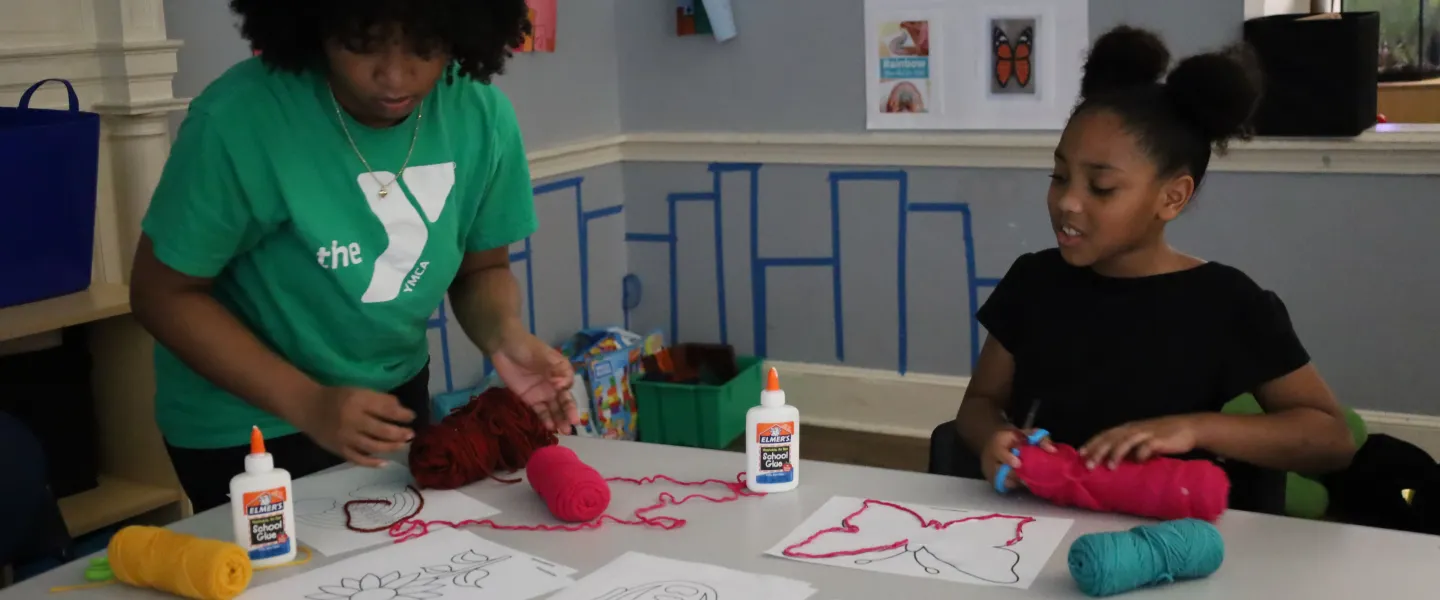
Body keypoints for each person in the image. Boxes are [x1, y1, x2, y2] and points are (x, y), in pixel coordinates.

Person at [130, 0, 580, 513]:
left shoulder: (481, 113)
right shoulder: (237, 121)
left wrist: (506, 335)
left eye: (424, 47)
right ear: (317, 30)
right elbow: (160, 295)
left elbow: (484, 269)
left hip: (391, 397)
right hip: (246, 423)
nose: (393, 76)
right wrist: (310, 403)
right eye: (361, 45)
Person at [952, 26, 1357, 512]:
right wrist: (994, 437)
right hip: (1034, 522)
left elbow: (1331, 438)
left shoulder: (1228, 302)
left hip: (1161, 537)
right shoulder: (1033, 281)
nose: (1068, 202)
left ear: (1172, 196)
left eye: (1101, 188)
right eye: (1059, 177)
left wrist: (1193, 428)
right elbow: (978, 404)